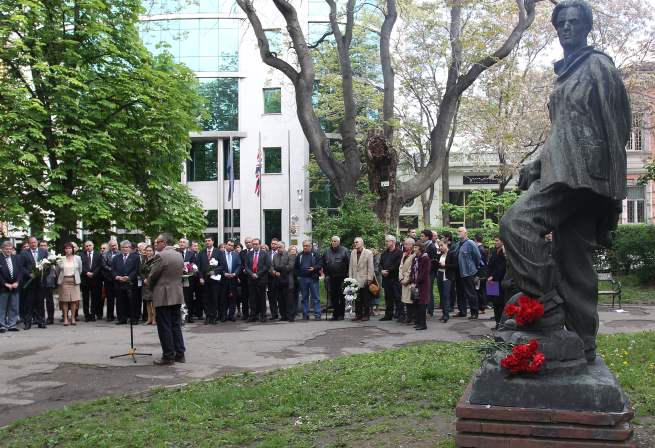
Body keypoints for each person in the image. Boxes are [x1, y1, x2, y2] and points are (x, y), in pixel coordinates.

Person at [500, 0, 631, 362]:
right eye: (562, 23)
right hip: (563, 168)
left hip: (583, 174)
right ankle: (582, 341)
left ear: (586, 27)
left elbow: (617, 125)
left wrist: (612, 193)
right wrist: (537, 164)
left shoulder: (598, 66)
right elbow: (564, 130)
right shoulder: (568, 71)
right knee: (574, 260)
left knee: (516, 224)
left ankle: (547, 305)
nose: (567, 28)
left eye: (574, 22)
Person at [148, 234, 186, 366]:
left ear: (163, 242)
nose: (155, 245)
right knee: (176, 325)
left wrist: (150, 285)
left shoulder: (160, 255)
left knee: (164, 326)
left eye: (156, 242)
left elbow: (153, 275)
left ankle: (168, 356)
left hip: (163, 294)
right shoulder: (179, 254)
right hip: (176, 293)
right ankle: (180, 354)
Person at [19, 236, 49, 329]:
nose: (33, 244)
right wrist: (29, 274)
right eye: (31, 243)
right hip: (29, 282)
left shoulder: (43, 251)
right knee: (29, 303)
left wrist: (43, 274)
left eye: (35, 242)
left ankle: (41, 321)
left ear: (37, 243)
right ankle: (28, 323)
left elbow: (47, 265)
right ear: (29, 243)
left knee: (40, 302)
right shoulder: (24, 253)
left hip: (40, 281)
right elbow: (22, 267)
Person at [111, 240, 140, 325]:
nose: (125, 249)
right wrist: (117, 276)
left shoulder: (135, 257)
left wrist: (129, 277)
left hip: (130, 283)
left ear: (130, 248)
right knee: (120, 302)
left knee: (132, 301)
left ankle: (133, 318)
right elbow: (113, 269)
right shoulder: (116, 257)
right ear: (120, 248)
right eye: (123, 247)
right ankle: (122, 319)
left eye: (127, 247)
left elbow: (136, 269)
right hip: (119, 283)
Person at [322, 236, 349, 321]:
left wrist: (347, 275)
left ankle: (341, 314)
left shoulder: (344, 250)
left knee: (341, 296)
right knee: (334, 297)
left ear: (339, 242)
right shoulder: (327, 251)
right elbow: (324, 264)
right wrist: (326, 274)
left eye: (335, 241)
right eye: (332, 241)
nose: (333, 242)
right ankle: (335, 314)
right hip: (331, 277)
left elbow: (348, 263)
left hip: (342, 277)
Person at [456, 227, 481, 319]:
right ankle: (466, 312)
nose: (458, 232)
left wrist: (473, 267)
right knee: (463, 293)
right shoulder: (458, 244)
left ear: (465, 233)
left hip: (469, 272)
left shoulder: (470, 243)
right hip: (460, 273)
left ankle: (475, 312)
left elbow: (477, 257)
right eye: (457, 231)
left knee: (471, 293)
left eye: (460, 231)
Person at [56, 242, 83, 326]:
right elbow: (57, 271)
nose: (68, 250)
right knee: (64, 300)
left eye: (70, 248)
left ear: (73, 249)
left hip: (74, 280)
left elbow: (80, 270)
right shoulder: (60, 258)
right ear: (64, 250)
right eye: (66, 248)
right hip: (64, 281)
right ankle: (65, 318)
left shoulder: (77, 258)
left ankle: (73, 318)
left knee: (74, 300)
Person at [348, 237, 374, 322]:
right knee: (357, 298)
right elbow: (351, 267)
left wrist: (370, 279)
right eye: (354, 242)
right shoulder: (353, 252)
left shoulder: (368, 253)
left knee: (366, 298)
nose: (355, 244)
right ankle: (358, 314)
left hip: (365, 279)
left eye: (357, 242)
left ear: (362, 243)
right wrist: (350, 279)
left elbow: (370, 267)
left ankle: (366, 315)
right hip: (355, 279)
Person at [0, 241, 24, 332]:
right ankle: (2, 325)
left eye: (10, 249)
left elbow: (20, 272)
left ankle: (12, 325)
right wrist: (5, 284)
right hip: (2, 287)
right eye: (6, 249)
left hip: (14, 286)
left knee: (14, 306)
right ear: (2, 249)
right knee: (2, 307)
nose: (8, 250)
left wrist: (17, 282)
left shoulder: (16, 258)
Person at [295, 240, 321, 320]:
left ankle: (317, 314)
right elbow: (296, 267)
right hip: (303, 279)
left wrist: (314, 268)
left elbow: (320, 264)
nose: (305, 247)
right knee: (304, 297)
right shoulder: (299, 255)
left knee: (316, 298)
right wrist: (298, 276)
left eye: (307, 246)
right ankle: (305, 314)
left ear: (311, 246)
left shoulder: (315, 254)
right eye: (304, 246)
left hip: (313, 279)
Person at [245, 238, 270, 322]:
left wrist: (257, 274)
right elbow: (246, 266)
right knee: (252, 299)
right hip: (251, 279)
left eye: (256, 244)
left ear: (259, 244)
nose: (255, 245)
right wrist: (252, 274)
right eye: (253, 244)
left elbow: (266, 266)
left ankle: (263, 315)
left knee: (262, 298)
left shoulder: (264, 254)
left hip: (261, 279)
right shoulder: (249, 254)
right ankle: (253, 315)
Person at [197, 236, 221, 324]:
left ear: (213, 242)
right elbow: (198, 267)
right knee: (206, 299)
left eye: (209, 241)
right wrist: (200, 277)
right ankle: (207, 316)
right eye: (206, 241)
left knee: (214, 298)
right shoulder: (201, 253)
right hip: (204, 280)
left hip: (214, 280)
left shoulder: (218, 252)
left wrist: (214, 272)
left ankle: (214, 316)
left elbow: (222, 266)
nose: (207, 242)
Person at [380, 235, 403, 322]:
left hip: (395, 278)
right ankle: (388, 315)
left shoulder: (399, 253)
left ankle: (400, 315)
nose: (386, 243)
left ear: (393, 242)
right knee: (388, 298)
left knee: (398, 297)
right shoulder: (384, 253)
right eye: (385, 241)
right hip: (386, 279)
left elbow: (397, 265)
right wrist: (382, 270)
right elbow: (380, 263)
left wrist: (388, 271)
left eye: (387, 241)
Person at [270, 242, 293, 321]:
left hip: (287, 280)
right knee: (280, 300)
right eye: (278, 247)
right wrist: (274, 272)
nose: (279, 249)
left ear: (284, 247)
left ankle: (289, 316)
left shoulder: (289, 255)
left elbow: (290, 266)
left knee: (288, 300)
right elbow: (272, 267)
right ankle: (283, 316)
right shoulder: (275, 256)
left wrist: (279, 269)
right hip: (278, 281)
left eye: (280, 247)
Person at [219, 239, 241, 322]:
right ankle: (223, 316)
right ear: (226, 245)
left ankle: (231, 315)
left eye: (232, 245)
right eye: (229, 245)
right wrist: (224, 273)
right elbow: (218, 266)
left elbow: (239, 265)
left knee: (233, 298)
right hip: (224, 279)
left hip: (233, 279)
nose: (230, 246)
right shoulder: (220, 254)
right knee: (223, 298)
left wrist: (235, 274)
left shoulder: (236, 255)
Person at [487, 236, 507, 328]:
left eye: (497, 241)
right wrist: (489, 276)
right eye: (495, 241)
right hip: (491, 281)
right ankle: (497, 322)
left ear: (502, 242)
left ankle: (501, 323)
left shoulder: (504, 253)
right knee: (494, 302)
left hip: (499, 280)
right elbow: (490, 265)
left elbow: (502, 268)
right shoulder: (494, 251)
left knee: (500, 302)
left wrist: (493, 276)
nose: (496, 243)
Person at [81, 241, 103, 322]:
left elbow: (99, 266)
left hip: (95, 279)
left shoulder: (98, 254)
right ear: (84, 247)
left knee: (95, 298)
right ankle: (87, 315)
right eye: (86, 246)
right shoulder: (81, 254)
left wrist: (93, 273)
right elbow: (81, 266)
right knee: (85, 299)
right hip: (85, 279)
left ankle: (93, 314)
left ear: (93, 246)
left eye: (90, 245)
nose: (88, 247)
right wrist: (86, 272)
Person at [411, 242, 431, 331]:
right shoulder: (415, 258)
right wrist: (412, 280)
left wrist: (417, 282)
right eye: (414, 247)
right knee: (417, 303)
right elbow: (413, 270)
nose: (414, 249)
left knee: (422, 304)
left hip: (423, 284)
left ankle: (423, 324)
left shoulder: (425, 258)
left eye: (416, 247)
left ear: (420, 248)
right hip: (416, 283)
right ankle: (418, 322)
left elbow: (424, 273)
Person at [178, 238, 198, 323]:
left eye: (183, 242)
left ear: (187, 244)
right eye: (180, 242)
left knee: (188, 298)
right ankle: (179, 317)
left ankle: (189, 316)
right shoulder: (176, 253)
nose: (181, 243)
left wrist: (190, 270)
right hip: (178, 279)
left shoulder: (191, 254)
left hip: (188, 280)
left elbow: (194, 265)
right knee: (179, 298)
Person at [419, 230, 438, 317]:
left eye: (422, 236)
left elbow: (433, 262)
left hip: (430, 273)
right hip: (424, 272)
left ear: (427, 237)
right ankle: (425, 309)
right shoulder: (424, 246)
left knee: (429, 291)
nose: (421, 237)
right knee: (425, 291)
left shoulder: (432, 247)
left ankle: (430, 311)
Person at [438, 239, 457, 323]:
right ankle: (444, 314)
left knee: (446, 295)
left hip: (448, 276)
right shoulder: (440, 254)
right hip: (440, 275)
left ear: (446, 245)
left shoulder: (452, 253)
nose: (440, 247)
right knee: (442, 295)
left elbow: (455, 265)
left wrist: (445, 265)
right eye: (439, 246)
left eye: (442, 245)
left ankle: (446, 315)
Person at [140, 245, 158, 325]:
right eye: (147, 251)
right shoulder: (143, 260)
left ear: (153, 251)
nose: (148, 252)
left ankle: (154, 319)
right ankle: (149, 319)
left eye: (150, 250)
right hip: (145, 283)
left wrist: (149, 279)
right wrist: (144, 278)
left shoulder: (156, 260)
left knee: (153, 302)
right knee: (147, 301)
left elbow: (156, 271)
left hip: (153, 283)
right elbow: (140, 271)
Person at [398, 238, 415, 325]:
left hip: (409, 281)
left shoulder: (414, 255)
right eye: (404, 244)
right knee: (405, 300)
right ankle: (408, 317)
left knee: (411, 300)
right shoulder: (404, 254)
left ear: (411, 245)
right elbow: (400, 267)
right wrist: (401, 278)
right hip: (403, 280)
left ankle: (412, 318)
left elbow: (411, 269)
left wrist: (406, 280)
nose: (404, 246)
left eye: (406, 244)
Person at [101, 239, 119, 321]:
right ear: (109, 246)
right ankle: (109, 316)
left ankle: (120, 315)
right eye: (112, 245)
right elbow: (104, 265)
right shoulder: (105, 254)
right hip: (109, 279)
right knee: (110, 299)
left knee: (120, 299)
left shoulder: (120, 254)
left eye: (115, 245)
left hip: (119, 280)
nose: (114, 247)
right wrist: (113, 270)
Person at [38, 240, 55, 324]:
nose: (43, 247)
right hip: (39, 281)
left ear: (47, 246)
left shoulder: (51, 256)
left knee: (49, 301)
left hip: (49, 281)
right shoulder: (37, 255)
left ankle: (50, 318)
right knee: (39, 300)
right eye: (41, 245)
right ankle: (40, 318)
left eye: (45, 245)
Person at [238, 237, 253, 320]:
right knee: (244, 297)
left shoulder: (255, 252)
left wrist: (249, 270)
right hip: (244, 278)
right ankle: (245, 314)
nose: (248, 244)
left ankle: (254, 313)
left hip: (252, 278)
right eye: (246, 242)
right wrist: (243, 269)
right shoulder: (242, 253)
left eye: (249, 242)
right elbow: (239, 263)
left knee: (253, 297)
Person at [474, 234, 489, 315]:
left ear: (475, 240)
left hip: (480, 273)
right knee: (482, 290)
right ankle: (482, 307)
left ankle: (482, 307)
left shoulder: (479, 249)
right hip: (484, 273)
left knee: (480, 290)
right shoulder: (483, 248)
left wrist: (478, 275)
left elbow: (479, 263)